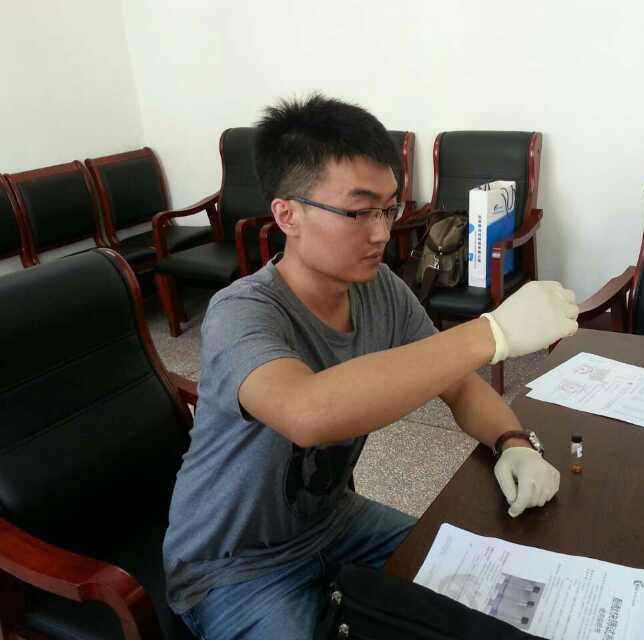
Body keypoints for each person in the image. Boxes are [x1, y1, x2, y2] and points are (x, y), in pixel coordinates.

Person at [163, 94, 579, 640]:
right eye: (359, 212)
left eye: (389, 209)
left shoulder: (381, 289)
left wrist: (513, 441)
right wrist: (491, 332)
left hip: (336, 523)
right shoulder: (241, 312)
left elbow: (456, 384)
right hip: (235, 568)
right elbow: (306, 412)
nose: (382, 232)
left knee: (484, 588)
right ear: (287, 215)